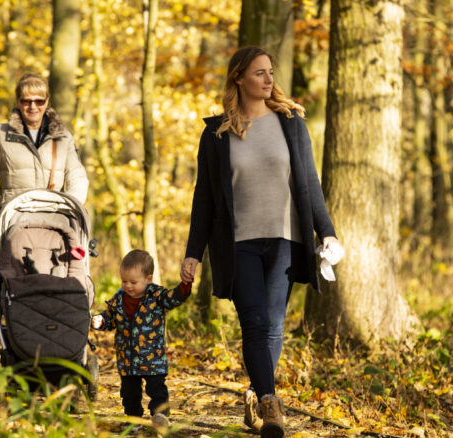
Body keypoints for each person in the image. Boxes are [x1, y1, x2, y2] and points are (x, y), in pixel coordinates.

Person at [180, 46, 341, 438]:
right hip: (238, 244)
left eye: (270, 72)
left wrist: (328, 231)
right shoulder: (216, 133)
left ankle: (257, 393)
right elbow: (204, 198)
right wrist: (192, 253)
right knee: (253, 322)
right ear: (238, 78)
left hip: (286, 240)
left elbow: (308, 183)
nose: (269, 80)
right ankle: (271, 405)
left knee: (273, 327)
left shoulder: (291, 123)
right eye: (259, 73)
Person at [91, 250, 193, 428]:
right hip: (128, 359)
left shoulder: (156, 297)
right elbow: (111, 318)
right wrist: (101, 320)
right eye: (124, 281)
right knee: (129, 393)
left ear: (148, 279)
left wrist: (184, 285)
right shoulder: (118, 300)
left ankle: (160, 417)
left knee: (156, 389)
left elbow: (174, 298)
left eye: (133, 282)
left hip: (152, 357)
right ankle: (133, 419)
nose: (127, 286)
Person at [0, 73, 88, 208]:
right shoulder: (0, 134)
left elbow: (77, 177)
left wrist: (70, 206)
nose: (33, 107)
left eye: (39, 101)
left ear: (47, 101)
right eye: (26, 101)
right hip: (14, 216)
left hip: (53, 215)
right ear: (18, 101)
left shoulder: (62, 138)